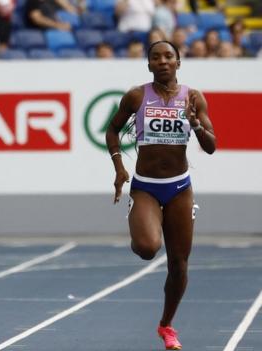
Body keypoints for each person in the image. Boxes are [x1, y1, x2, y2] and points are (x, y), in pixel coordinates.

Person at [105, 40, 216, 350]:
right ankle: (139, 221)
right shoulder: (136, 96)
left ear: (179, 62)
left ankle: (166, 325)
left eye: (169, 56)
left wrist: (195, 124)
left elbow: (211, 146)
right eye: (156, 57)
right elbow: (112, 131)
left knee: (179, 265)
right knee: (147, 247)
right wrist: (119, 167)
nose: (163, 61)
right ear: (149, 65)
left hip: (180, 187)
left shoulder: (193, 98)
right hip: (145, 186)